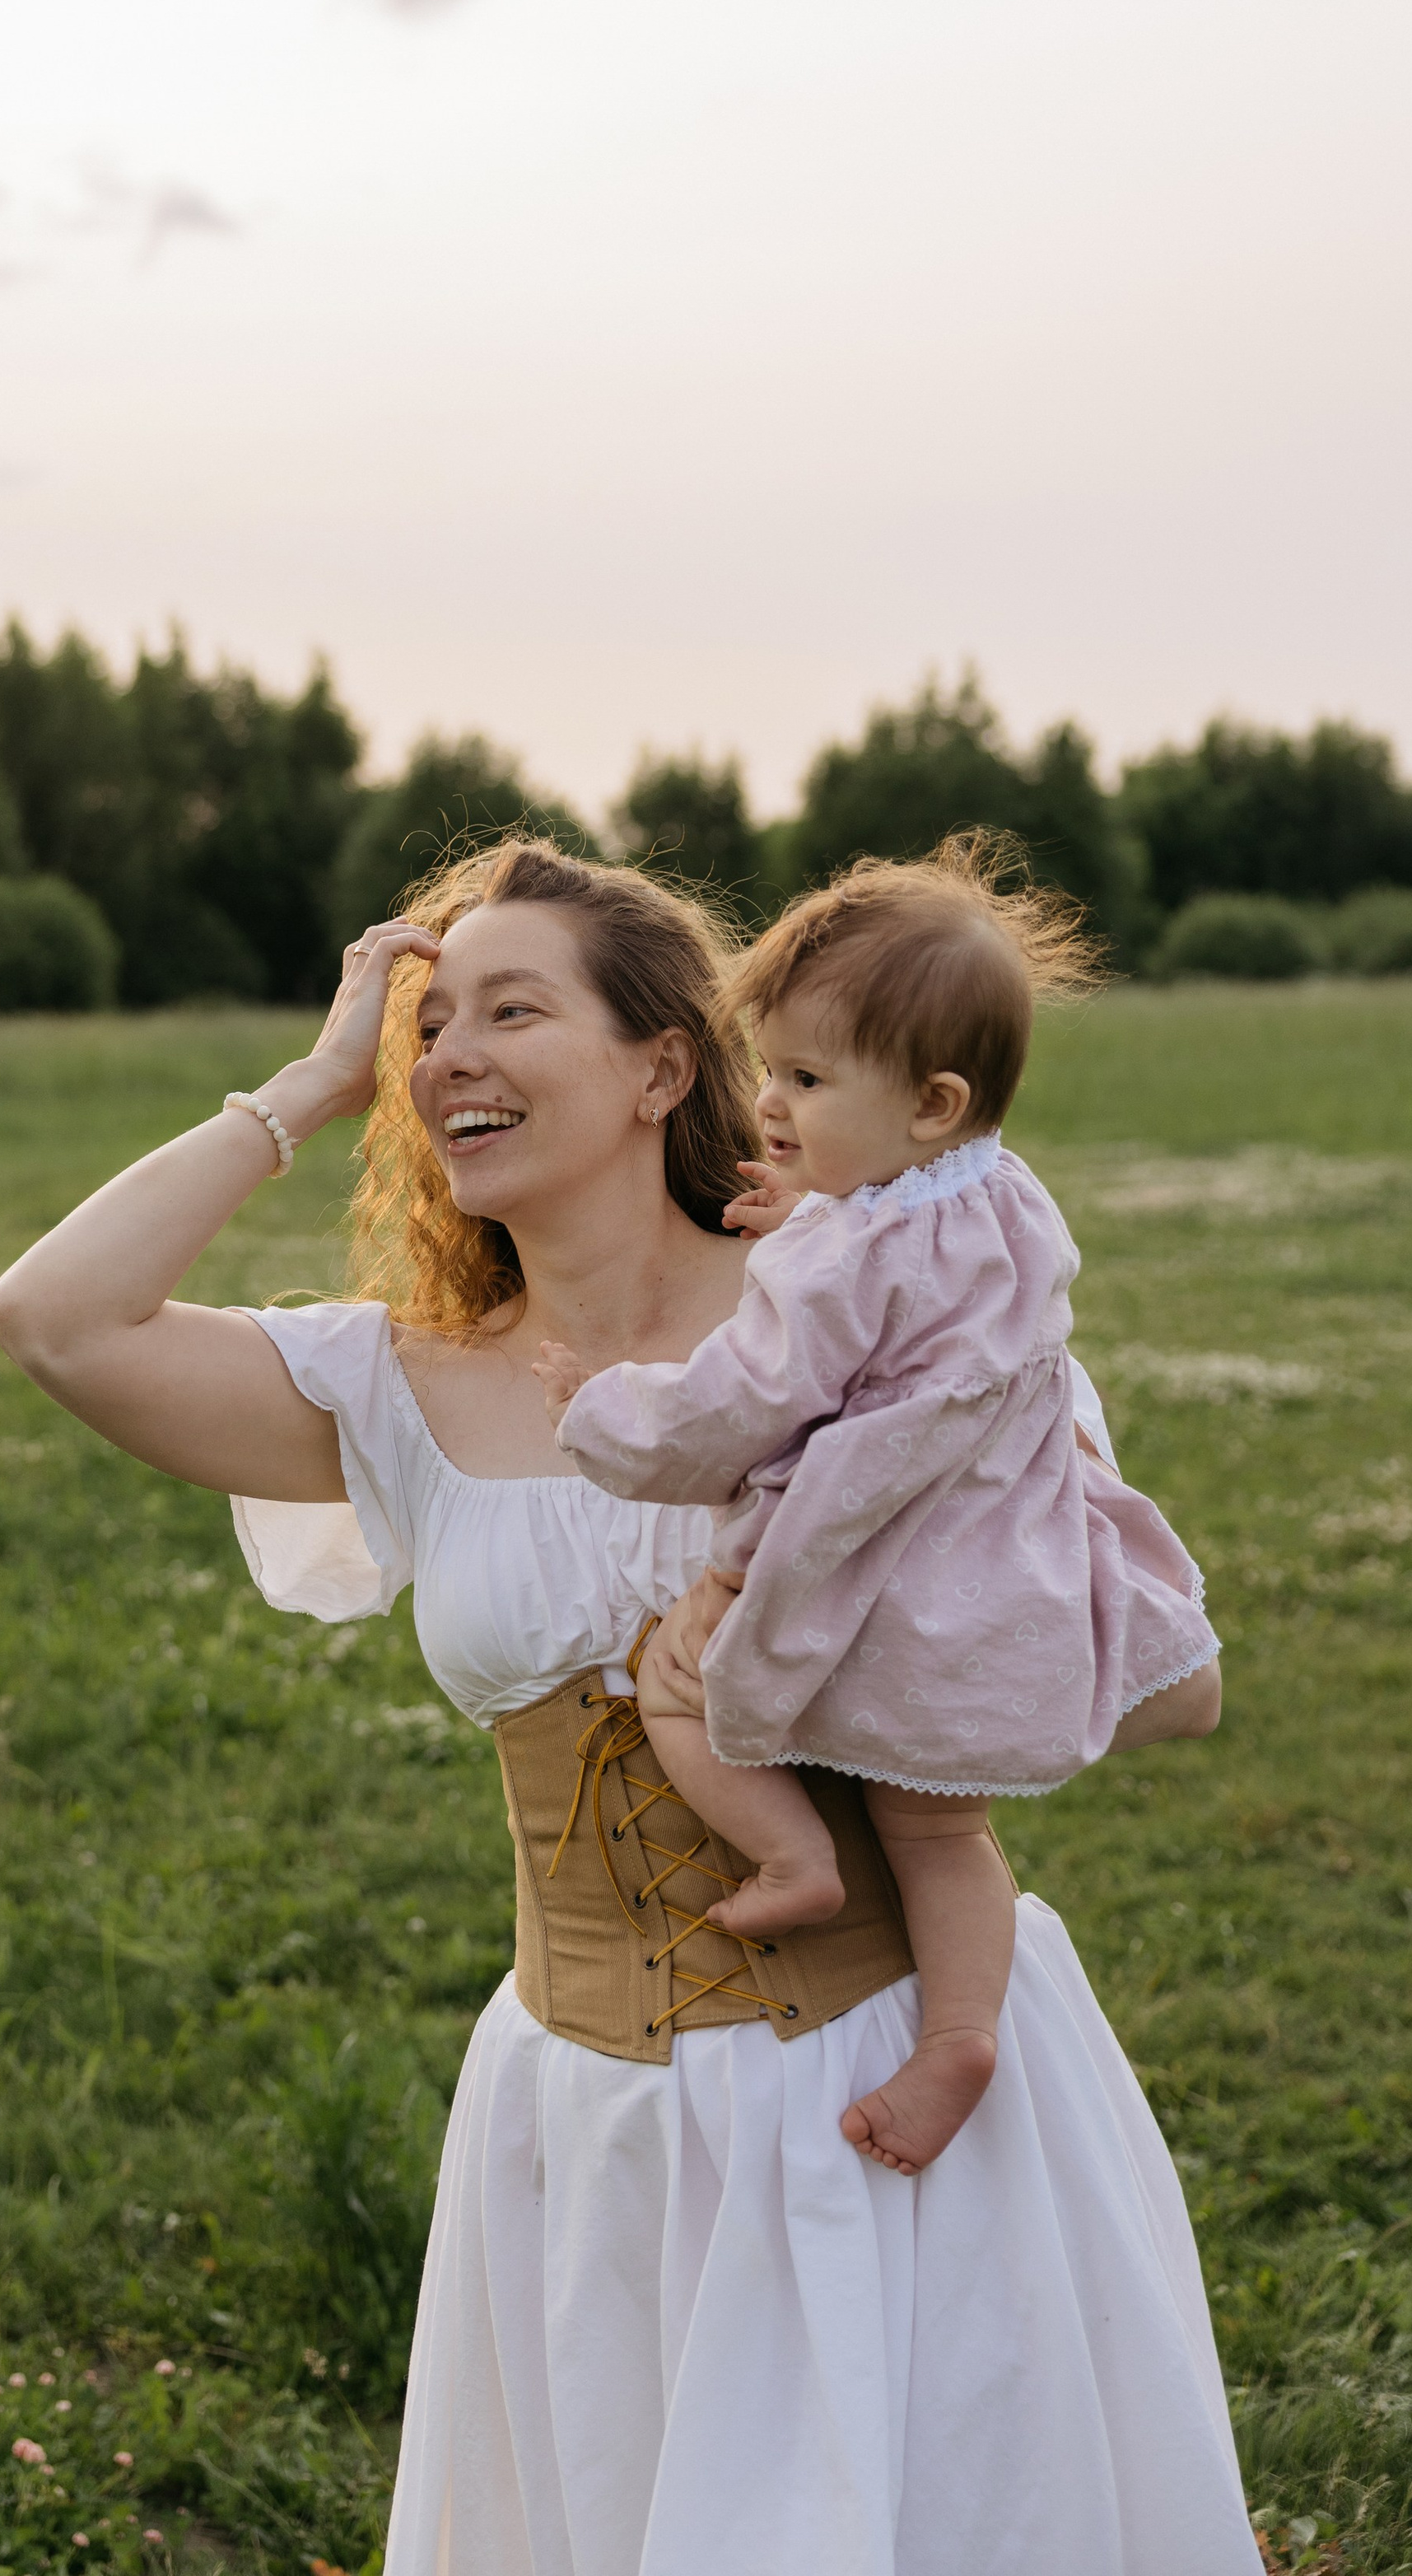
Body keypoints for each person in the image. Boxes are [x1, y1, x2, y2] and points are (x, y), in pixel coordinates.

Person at [0, 838, 1258, 2576]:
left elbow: (1158, 1685)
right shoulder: (389, 1388)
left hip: (879, 2098)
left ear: (663, 1065)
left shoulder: (873, 1324)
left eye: (514, 1011)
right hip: (580, 2128)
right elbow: (50, 1320)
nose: (451, 1058)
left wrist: (803, 1646)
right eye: (435, 1026)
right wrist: (303, 1083)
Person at [532, 842, 1220, 2177]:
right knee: (944, 1832)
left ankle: (789, 1854)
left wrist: (598, 1407)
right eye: (771, 1069)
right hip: (1000, 1557)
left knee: (678, 1683)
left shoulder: (841, 1254)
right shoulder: (1007, 1198)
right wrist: (812, 1206)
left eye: (802, 1080)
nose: (769, 1105)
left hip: (883, 1569)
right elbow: (923, 1269)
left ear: (930, 1100)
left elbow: (740, 1407)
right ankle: (962, 2031)